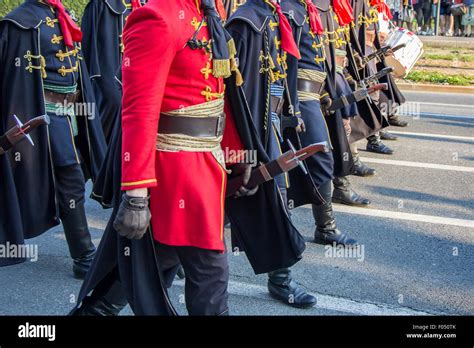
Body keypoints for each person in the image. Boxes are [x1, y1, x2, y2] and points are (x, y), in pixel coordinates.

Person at [72, 0, 269, 316]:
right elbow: (139, 112)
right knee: (210, 273)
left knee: (154, 260)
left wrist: (238, 152)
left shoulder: (204, 15)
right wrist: (135, 194)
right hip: (175, 171)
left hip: (208, 163)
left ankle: (97, 310)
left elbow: (220, 96)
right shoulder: (157, 18)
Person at [0, 0, 106, 277]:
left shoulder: (59, 13)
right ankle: (84, 257)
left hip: (71, 110)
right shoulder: (19, 22)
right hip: (43, 113)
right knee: (69, 178)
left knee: (76, 174)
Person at [225, 0, 317, 308]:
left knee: (272, 194)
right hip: (248, 125)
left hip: (271, 121)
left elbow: (282, 72)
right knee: (232, 196)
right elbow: (235, 89)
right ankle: (178, 256)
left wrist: (292, 112)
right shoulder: (245, 22)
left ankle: (280, 279)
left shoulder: (276, 17)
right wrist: (248, 144)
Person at [282, 0, 360, 246]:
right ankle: (326, 228)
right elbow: (287, 62)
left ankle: (323, 227)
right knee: (320, 156)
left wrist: (326, 94)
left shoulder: (304, 8)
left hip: (314, 93)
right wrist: (291, 105)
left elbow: (317, 60)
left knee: (316, 157)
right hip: (299, 96)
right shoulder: (290, 9)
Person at [81, 0, 147, 143]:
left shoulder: (145, 4)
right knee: (114, 104)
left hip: (138, 74)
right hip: (107, 75)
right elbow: (88, 50)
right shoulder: (99, 5)